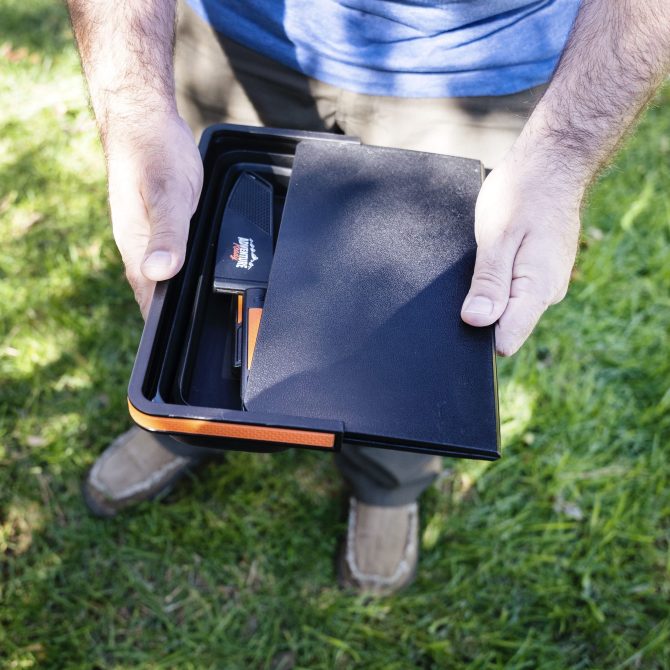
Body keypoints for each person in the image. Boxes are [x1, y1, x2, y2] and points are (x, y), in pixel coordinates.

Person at [67, 0, 670, 594]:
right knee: (200, 271)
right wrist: (135, 116)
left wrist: (561, 157)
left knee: (420, 327)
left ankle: (386, 483)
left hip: (480, 66)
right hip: (241, 36)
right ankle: (186, 426)